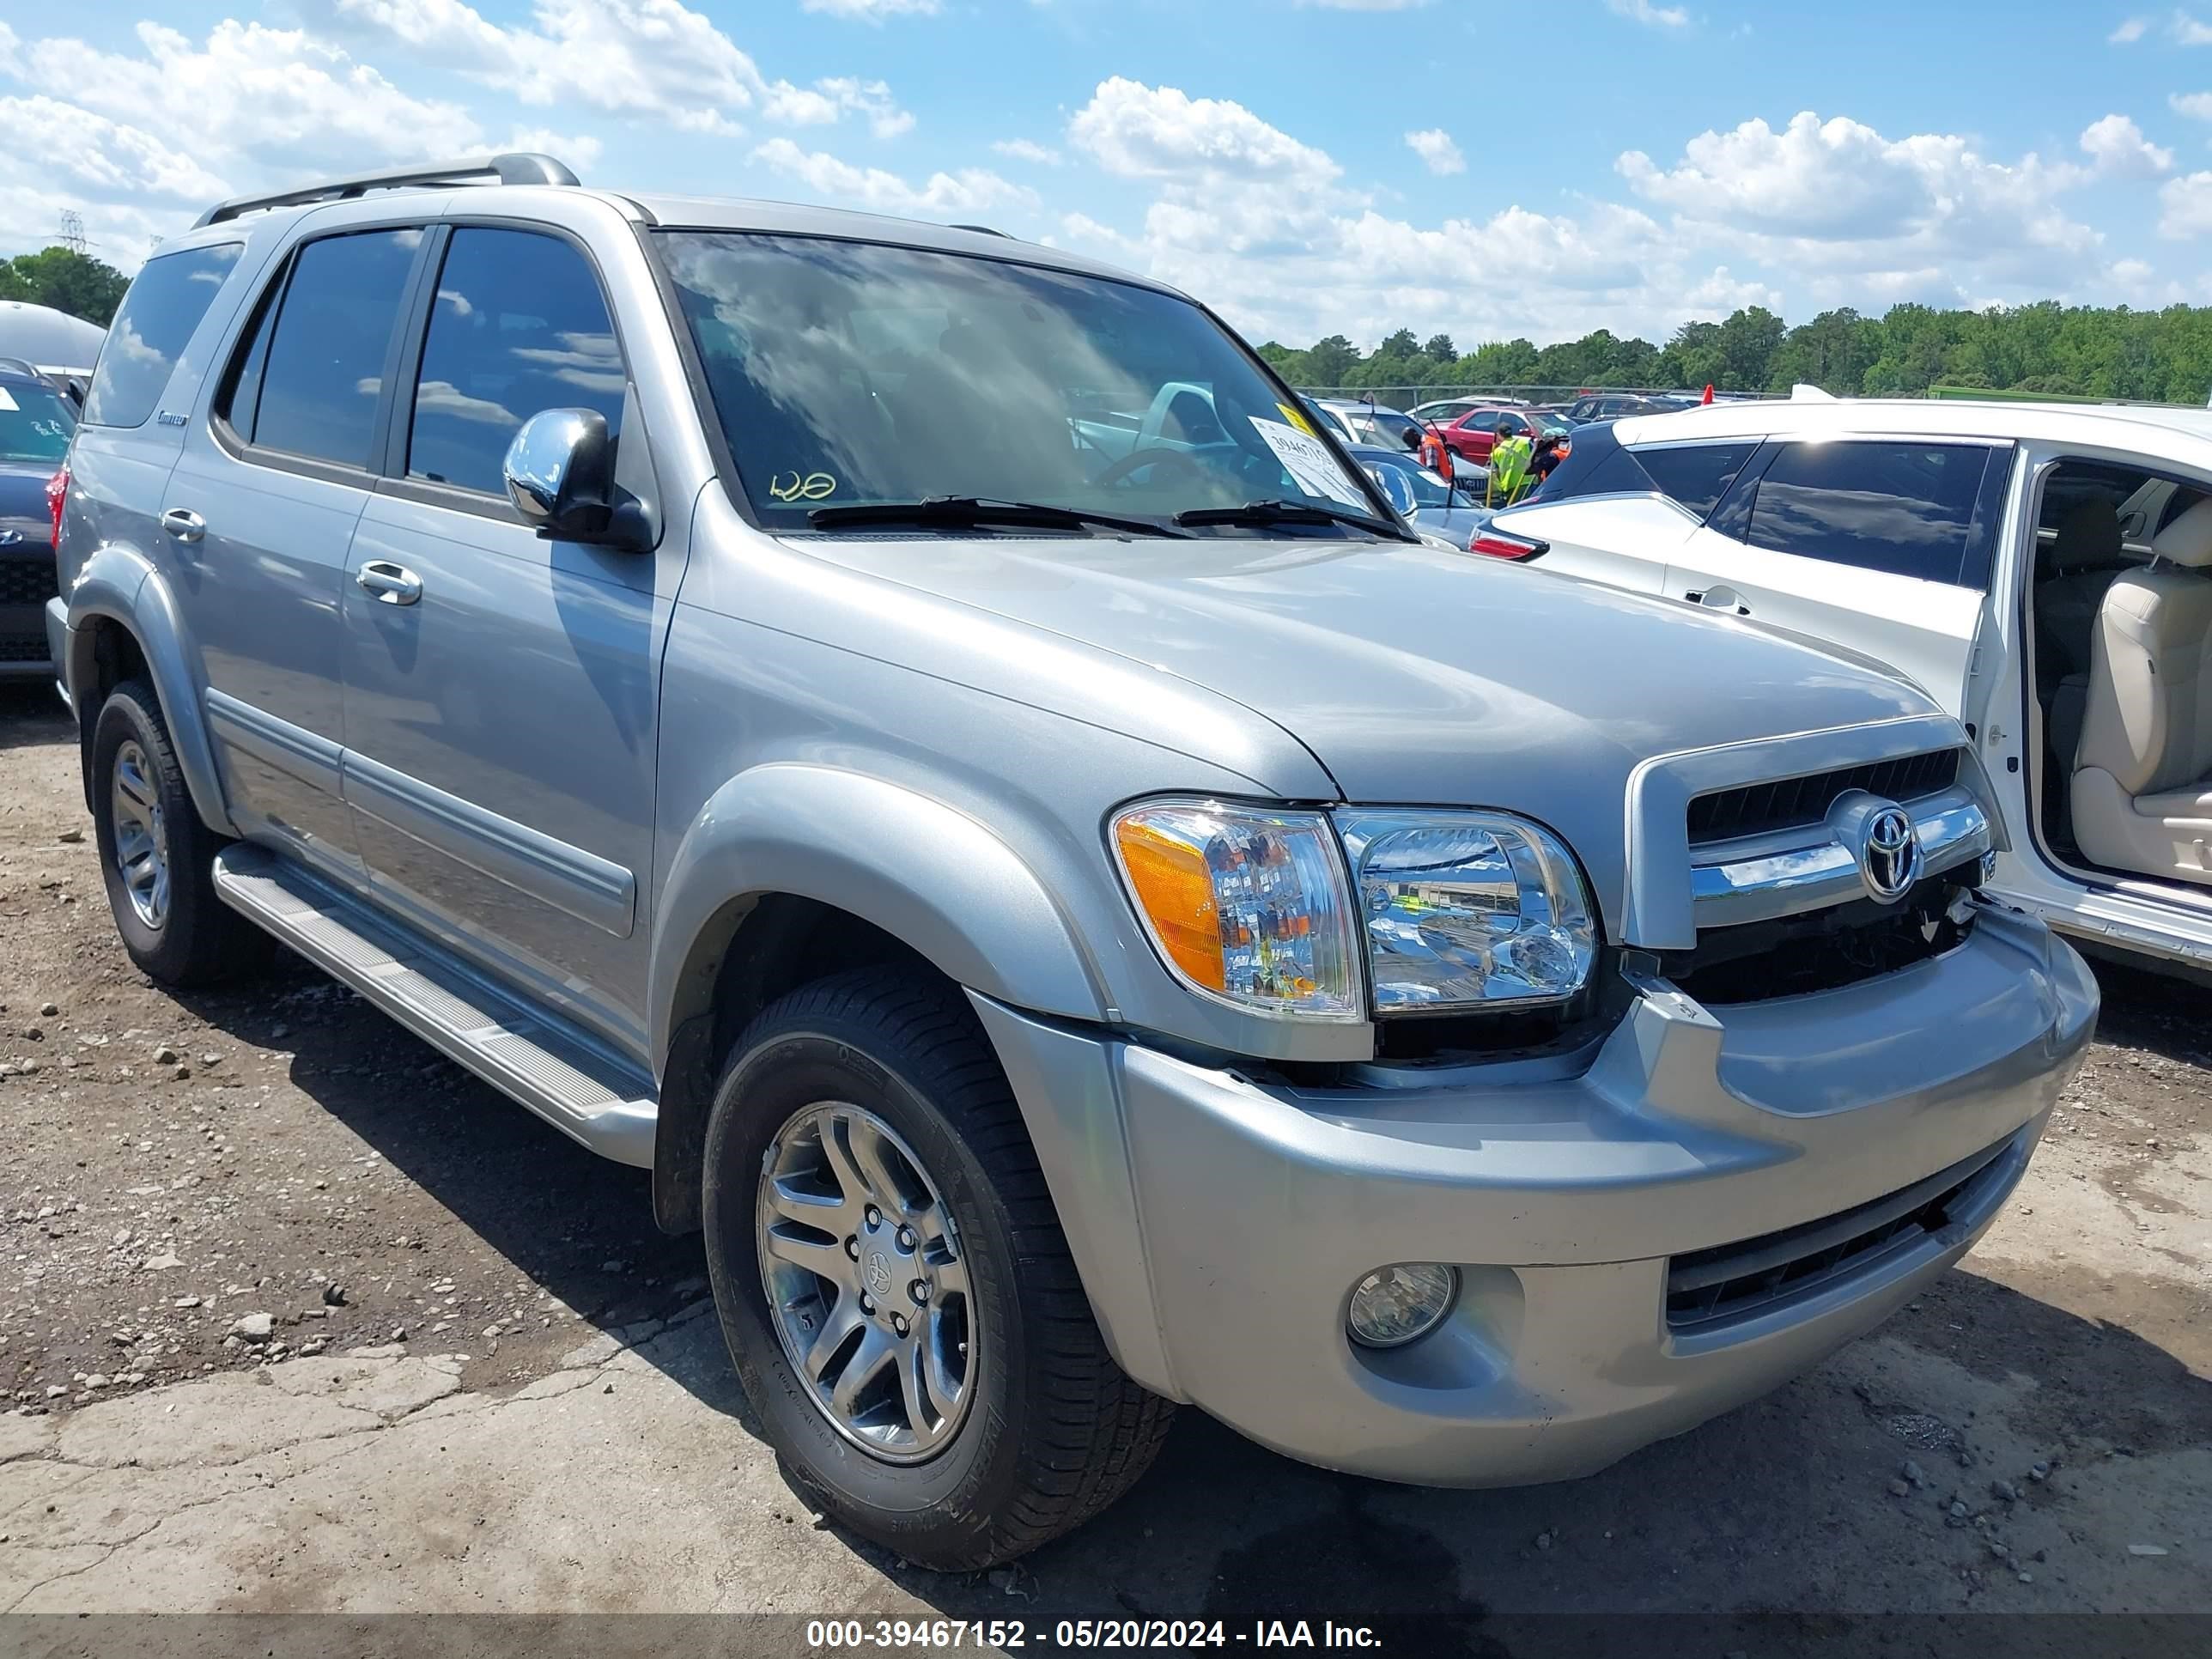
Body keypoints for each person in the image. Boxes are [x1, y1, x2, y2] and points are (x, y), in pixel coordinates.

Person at [1486, 419, 1534, 506]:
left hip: (1510, 486)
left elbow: (1495, 473)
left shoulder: (1496, 452)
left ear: (1498, 435)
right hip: (1528, 482)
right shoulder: (1524, 443)